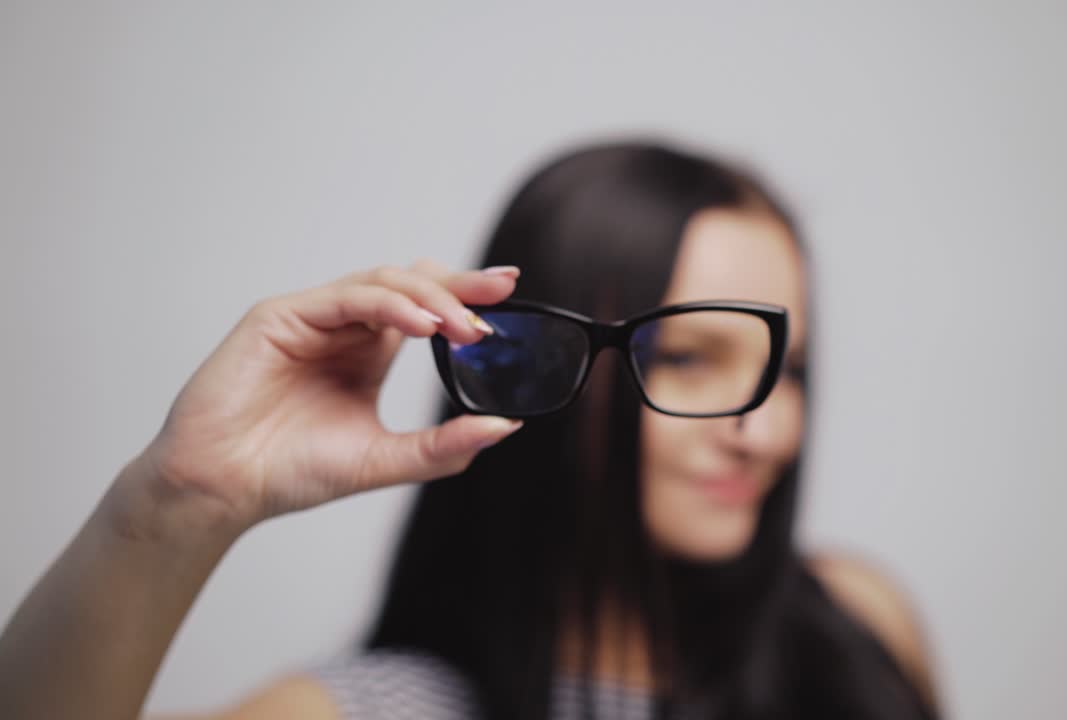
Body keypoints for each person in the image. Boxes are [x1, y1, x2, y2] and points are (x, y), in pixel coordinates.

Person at [0, 142, 940, 719]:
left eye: (787, 369)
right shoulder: (375, 711)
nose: (764, 432)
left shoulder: (857, 626)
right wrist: (182, 499)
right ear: (539, 365)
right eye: (690, 358)